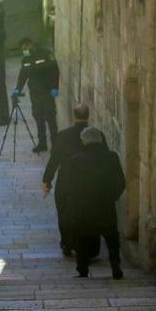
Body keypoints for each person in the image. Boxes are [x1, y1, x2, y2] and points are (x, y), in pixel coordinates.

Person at [43, 104, 102, 258]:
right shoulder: (97, 135)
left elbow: (54, 160)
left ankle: (68, 244)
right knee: (91, 213)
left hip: (67, 181)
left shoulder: (63, 136)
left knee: (65, 213)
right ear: (88, 115)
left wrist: (47, 181)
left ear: (73, 115)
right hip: (91, 181)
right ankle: (92, 247)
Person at [66, 126, 126, 279]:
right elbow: (121, 182)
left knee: (82, 240)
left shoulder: (76, 160)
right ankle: (115, 267)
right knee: (112, 239)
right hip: (106, 206)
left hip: (84, 208)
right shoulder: (112, 157)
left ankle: (82, 270)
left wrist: (74, 205)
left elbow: (71, 187)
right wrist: (112, 196)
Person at [13, 38, 60, 152]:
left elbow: (55, 70)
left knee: (51, 118)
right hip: (35, 93)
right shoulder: (26, 59)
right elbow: (23, 75)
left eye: (25, 48)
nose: (24, 50)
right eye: (22, 49)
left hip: (47, 92)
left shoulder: (45, 54)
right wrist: (18, 89)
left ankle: (56, 145)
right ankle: (42, 143)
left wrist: (55, 87)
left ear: (30, 45)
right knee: (38, 118)